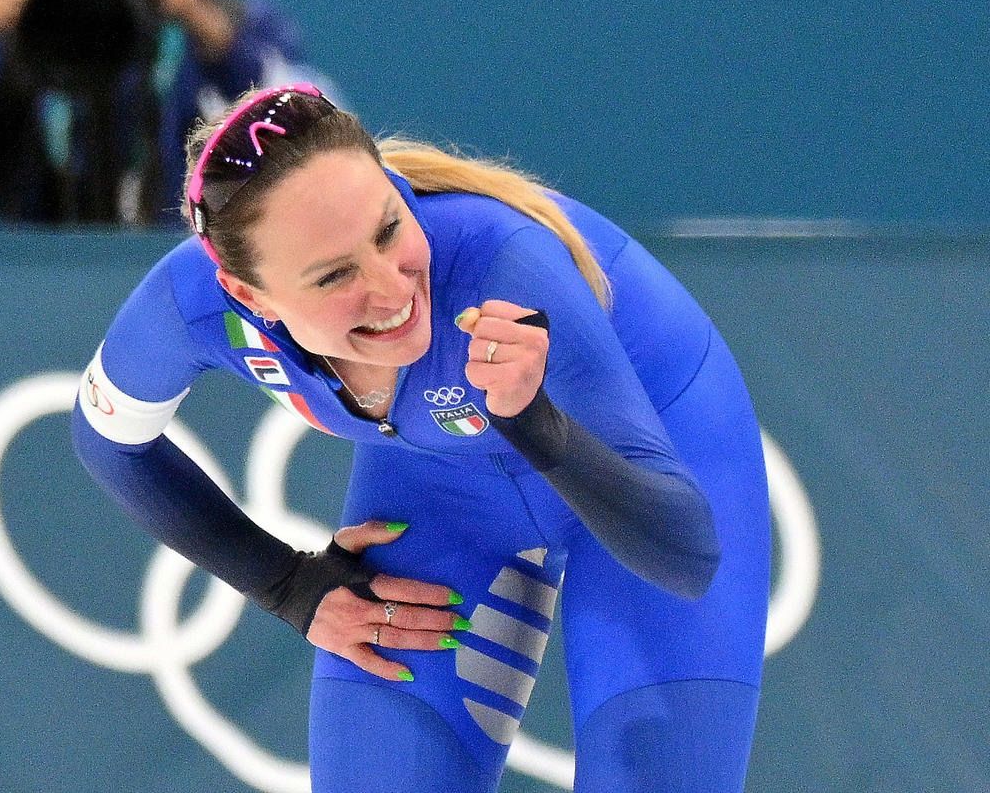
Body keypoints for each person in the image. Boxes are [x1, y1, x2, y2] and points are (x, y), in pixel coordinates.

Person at [71, 83, 771, 792]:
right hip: (443, 488)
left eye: (388, 230)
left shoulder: (505, 267)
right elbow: (108, 442)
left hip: (649, 463)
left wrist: (538, 422)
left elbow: (686, 557)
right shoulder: (188, 306)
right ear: (250, 297)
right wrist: (286, 584)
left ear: (398, 188)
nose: (392, 290)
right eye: (335, 275)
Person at [0, 0, 323, 226]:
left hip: (188, 268)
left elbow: (304, 132)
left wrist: (208, 28)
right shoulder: (13, 38)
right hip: (36, 279)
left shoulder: (224, 21)